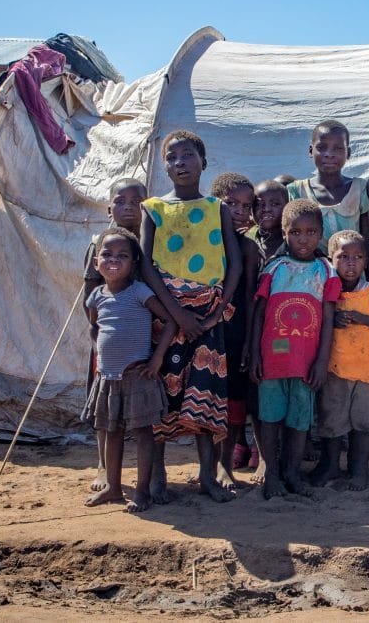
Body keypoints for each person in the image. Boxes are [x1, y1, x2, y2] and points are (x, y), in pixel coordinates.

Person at [140, 131, 242, 504]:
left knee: (207, 397)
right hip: (167, 319)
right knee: (163, 396)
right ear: (164, 165)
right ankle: (157, 477)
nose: (179, 162)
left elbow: (233, 263)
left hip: (208, 319)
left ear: (204, 161)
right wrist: (177, 313)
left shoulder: (217, 209)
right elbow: (147, 266)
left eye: (187, 155)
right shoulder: (153, 209)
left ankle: (207, 477)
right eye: (172, 157)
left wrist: (217, 311)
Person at [250, 199, 341, 498]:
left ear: (321, 233)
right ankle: (272, 473)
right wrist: (253, 354)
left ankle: (292, 472)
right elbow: (259, 314)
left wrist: (322, 360)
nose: (303, 239)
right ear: (285, 233)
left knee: (300, 419)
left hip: (306, 363)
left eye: (311, 232)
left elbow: (328, 319)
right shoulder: (274, 268)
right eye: (296, 232)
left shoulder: (326, 271)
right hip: (272, 361)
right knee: (270, 418)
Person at [82, 227, 175, 513]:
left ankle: (143, 490)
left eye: (122, 256)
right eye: (107, 255)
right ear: (96, 262)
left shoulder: (140, 292)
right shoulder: (96, 295)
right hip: (108, 378)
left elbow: (170, 322)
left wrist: (157, 358)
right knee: (112, 432)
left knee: (143, 433)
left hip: (139, 375)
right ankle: (113, 486)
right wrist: (101, 353)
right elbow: (95, 326)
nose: (113, 260)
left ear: (134, 263)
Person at [309, 230, 369, 491]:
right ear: (331, 259)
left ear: (365, 262)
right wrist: (332, 319)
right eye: (343, 256)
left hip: (367, 372)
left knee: (364, 425)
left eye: (358, 257)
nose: (351, 263)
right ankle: (331, 465)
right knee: (332, 423)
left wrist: (362, 318)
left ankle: (359, 471)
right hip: (334, 370)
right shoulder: (325, 291)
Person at [82, 177, 147, 494]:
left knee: (140, 410)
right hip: (107, 342)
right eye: (121, 202)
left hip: (138, 343)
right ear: (110, 207)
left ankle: (142, 473)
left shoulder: (149, 241)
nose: (129, 208)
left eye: (136, 202)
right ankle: (104, 466)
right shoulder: (101, 244)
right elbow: (90, 297)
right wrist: (98, 338)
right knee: (105, 409)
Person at [209, 172, 259, 486]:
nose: (240, 211)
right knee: (210, 397)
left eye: (246, 205)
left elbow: (252, 295)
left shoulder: (248, 245)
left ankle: (225, 464)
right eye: (231, 204)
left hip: (237, 327)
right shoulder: (207, 240)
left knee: (235, 398)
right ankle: (210, 465)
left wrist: (248, 341)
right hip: (208, 329)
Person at [287, 119, 369, 258]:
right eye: (321, 147)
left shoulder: (359, 188)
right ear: (310, 150)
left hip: (352, 275)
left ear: (348, 153)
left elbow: (366, 240)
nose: (329, 154)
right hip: (312, 275)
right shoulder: (296, 191)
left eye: (338, 148)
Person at [247, 179, 291, 267]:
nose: (266, 209)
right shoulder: (247, 241)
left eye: (275, 204)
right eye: (258, 204)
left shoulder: (293, 244)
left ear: (287, 206)